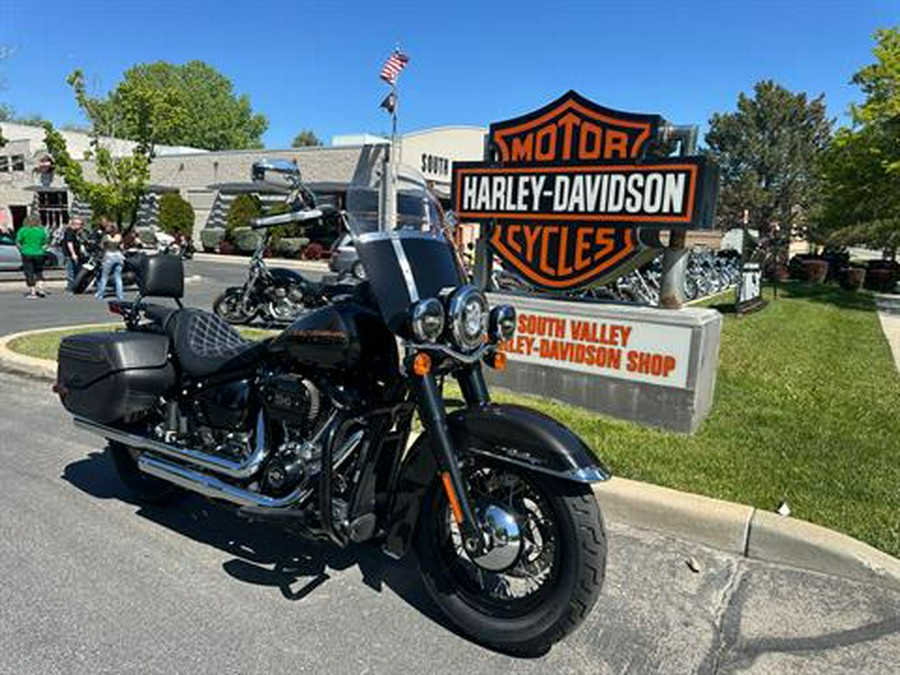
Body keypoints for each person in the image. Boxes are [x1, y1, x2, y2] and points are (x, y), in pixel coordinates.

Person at [15, 213, 49, 299]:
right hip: (39, 253)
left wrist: (21, 250)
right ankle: (41, 290)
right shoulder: (41, 231)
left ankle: (33, 292)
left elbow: (18, 242)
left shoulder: (22, 230)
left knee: (29, 272)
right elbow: (46, 243)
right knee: (39, 271)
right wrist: (42, 250)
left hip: (27, 253)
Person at [94, 219, 125, 301]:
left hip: (109, 256)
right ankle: (120, 296)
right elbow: (122, 247)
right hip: (119, 256)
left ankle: (100, 294)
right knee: (118, 277)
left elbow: (101, 246)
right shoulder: (119, 237)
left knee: (104, 277)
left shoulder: (106, 237)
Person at [62, 217, 86, 293]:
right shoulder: (69, 231)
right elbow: (69, 243)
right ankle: (71, 288)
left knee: (76, 271)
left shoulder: (75, 232)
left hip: (75, 254)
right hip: (70, 255)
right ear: (75, 224)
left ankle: (75, 287)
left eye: (82, 224)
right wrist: (73, 254)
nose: (81, 226)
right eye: (80, 224)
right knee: (71, 271)